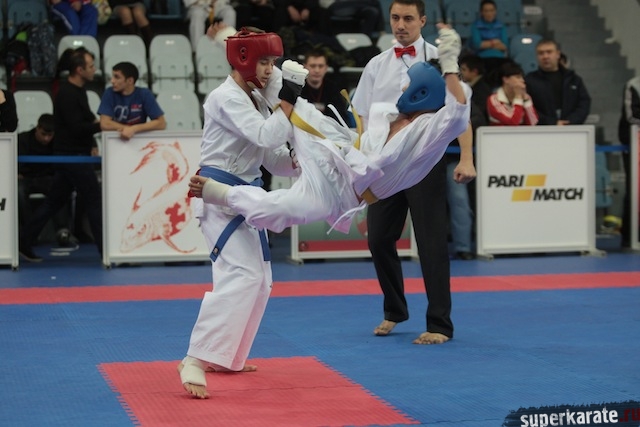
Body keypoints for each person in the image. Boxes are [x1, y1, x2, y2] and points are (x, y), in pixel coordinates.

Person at [189, 28, 469, 242]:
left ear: (423, 93)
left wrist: (449, 64)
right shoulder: (391, 112)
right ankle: (234, 43)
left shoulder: (428, 131)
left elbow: (457, 113)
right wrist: (236, 44)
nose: (404, 88)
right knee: (296, 100)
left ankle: (220, 193)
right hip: (338, 148)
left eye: (411, 84)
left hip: (341, 191)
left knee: (280, 209)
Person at [177, 28, 301, 399]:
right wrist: (289, 98)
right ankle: (195, 359)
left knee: (260, 280)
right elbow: (266, 136)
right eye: (263, 61)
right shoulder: (224, 97)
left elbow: (272, 158)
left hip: (246, 196)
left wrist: (299, 159)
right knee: (242, 275)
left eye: (273, 62)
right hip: (217, 195)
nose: (269, 69)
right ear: (243, 59)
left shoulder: (257, 99)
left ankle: (227, 355)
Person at [351, 0, 476, 345]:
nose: (401, 24)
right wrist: (360, 162)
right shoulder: (376, 64)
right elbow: (362, 117)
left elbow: (459, 113)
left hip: (424, 162)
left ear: (422, 20)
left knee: (431, 242)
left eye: (408, 18)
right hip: (384, 164)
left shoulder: (439, 60)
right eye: (395, 18)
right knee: (378, 239)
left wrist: (466, 157)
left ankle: (439, 324)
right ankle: (395, 309)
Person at [19, 47, 103, 262]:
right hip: (73, 157)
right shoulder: (67, 94)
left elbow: (86, 121)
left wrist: (98, 126)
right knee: (94, 200)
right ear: (79, 70)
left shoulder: (78, 91)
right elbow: (77, 128)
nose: (94, 69)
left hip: (74, 155)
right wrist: (101, 126)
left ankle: (24, 241)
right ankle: (106, 250)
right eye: (90, 66)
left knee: (53, 202)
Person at [17, 114, 74, 258]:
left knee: (61, 188)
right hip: (25, 178)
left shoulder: (58, 142)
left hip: (46, 178)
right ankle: (29, 232)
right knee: (19, 191)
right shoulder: (22, 140)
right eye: (43, 134)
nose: (46, 139)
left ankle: (62, 230)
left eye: (50, 135)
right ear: (37, 128)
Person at [524, 39, 591, 126]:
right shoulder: (529, 81)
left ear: (558, 54)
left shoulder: (573, 79)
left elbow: (584, 103)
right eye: (541, 53)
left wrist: (571, 121)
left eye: (549, 52)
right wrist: (551, 123)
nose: (545, 56)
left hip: (572, 128)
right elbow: (528, 108)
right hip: (542, 129)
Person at [98, 61, 166, 139]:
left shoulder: (144, 94)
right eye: (112, 77)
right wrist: (127, 129)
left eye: (117, 77)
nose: (112, 81)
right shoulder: (109, 93)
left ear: (130, 80)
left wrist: (134, 129)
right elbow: (105, 124)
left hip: (139, 137)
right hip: (115, 138)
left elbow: (161, 123)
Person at [299, 48, 351, 126]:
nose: (317, 70)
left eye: (321, 66)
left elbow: (342, 118)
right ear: (305, 67)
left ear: (326, 68)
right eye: (313, 66)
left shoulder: (333, 89)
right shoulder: (298, 89)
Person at [617, 75, 640, 248]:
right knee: (635, 190)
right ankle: (631, 235)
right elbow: (631, 116)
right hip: (635, 144)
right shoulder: (634, 85)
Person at [487, 61, 538, 126]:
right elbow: (512, 122)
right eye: (518, 77)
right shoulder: (494, 99)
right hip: (501, 132)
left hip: (521, 132)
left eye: (522, 77)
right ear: (506, 79)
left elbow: (533, 122)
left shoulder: (526, 97)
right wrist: (518, 97)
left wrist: (525, 100)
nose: (522, 80)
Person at [469, 0, 508, 74]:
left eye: (491, 10)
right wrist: (495, 42)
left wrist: (486, 44)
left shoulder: (501, 25)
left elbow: (504, 46)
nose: (489, 13)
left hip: (500, 59)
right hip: (482, 59)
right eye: (486, 11)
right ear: (481, 12)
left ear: (495, 12)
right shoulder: (475, 26)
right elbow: (478, 44)